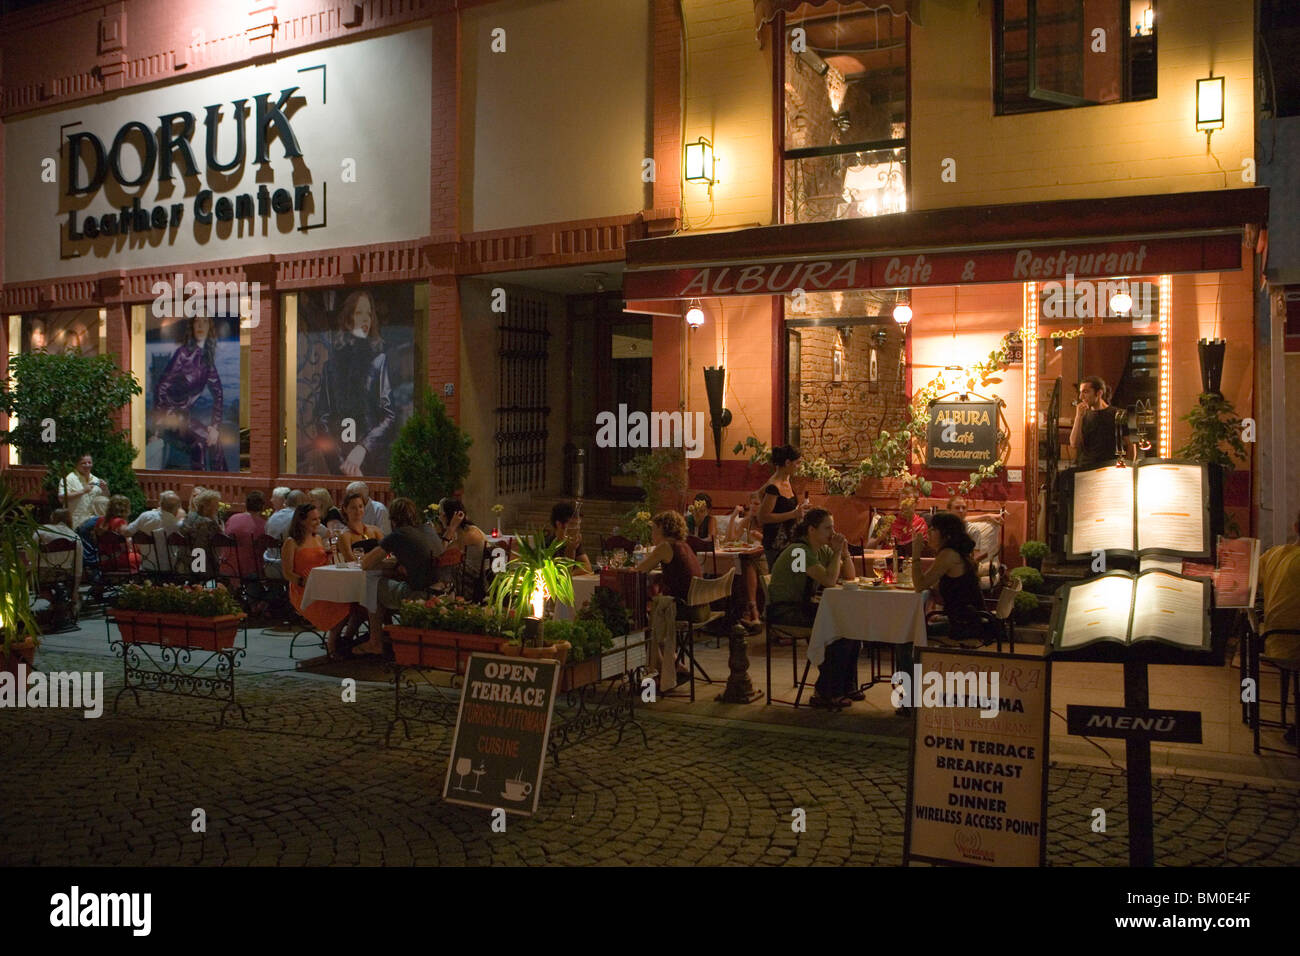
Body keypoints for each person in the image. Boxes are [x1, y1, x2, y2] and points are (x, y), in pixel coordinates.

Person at [767, 508, 858, 710]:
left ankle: (844, 687)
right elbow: (829, 580)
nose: (833, 533)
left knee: (852, 627)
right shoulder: (798, 552)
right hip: (786, 611)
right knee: (840, 631)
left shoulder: (820, 550)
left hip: (805, 607)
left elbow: (850, 577)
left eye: (833, 528)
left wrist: (844, 553)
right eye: (827, 528)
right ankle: (826, 692)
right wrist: (835, 554)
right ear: (811, 530)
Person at [313, 291, 395, 477]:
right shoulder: (331, 366)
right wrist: (341, 462)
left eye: (368, 313)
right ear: (349, 320)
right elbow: (322, 418)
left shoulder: (379, 361)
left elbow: (389, 416)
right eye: (359, 313)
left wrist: (362, 449)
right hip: (340, 462)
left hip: (372, 459)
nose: (365, 319)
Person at [361, 497, 442, 654]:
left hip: (419, 594)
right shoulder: (428, 529)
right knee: (384, 582)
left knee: (373, 584)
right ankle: (387, 634)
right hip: (442, 590)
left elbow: (366, 564)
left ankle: (375, 642)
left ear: (393, 519)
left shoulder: (398, 535)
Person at [281, 504, 361, 658]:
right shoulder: (291, 542)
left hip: (323, 583)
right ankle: (332, 643)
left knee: (356, 602)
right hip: (304, 589)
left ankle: (345, 640)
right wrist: (304, 582)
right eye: (314, 519)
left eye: (319, 519)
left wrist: (330, 556)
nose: (318, 522)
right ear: (302, 521)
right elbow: (287, 573)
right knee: (343, 605)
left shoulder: (318, 538)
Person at [912, 511, 998, 651]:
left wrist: (915, 554)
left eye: (934, 528)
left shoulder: (948, 555)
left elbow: (919, 585)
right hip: (969, 619)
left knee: (911, 632)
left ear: (946, 535)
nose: (929, 531)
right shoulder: (956, 553)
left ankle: (912, 671)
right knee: (917, 628)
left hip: (964, 625)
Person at [152, 314, 227, 471]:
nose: (200, 325)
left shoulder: (207, 359)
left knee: (214, 439)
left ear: (210, 328)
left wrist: (214, 426)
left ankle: (219, 488)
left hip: (185, 418)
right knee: (200, 442)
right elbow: (162, 387)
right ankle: (201, 489)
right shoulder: (183, 354)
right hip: (172, 416)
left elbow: (218, 393)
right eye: (197, 322)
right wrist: (159, 426)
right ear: (192, 328)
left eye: (204, 322)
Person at [1259, 511, 1300, 744]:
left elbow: (1249, 579)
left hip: (1274, 643)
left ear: (1295, 527)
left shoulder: (1275, 554)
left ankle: (1249, 699)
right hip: (1295, 645)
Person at [757, 444, 807, 568]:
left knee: (796, 576)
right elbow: (763, 517)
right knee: (781, 579)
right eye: (798, 463)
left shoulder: (787, 479)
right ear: (788, 462)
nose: (799, 467)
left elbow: (757, 493)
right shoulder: (774, 486)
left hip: (791, 539)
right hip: (776, 542)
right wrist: (793, 514)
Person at [724, 492, 766, 632]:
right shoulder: (747, 521)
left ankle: (750, 611)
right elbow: (730, 539)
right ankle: (751, 612)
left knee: (746, 563)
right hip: (750, 559)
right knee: (745, 562)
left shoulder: (768, 521)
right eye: (752, 503)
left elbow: (774, 544)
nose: (753, 507)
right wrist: (733, 517)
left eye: (757, 504)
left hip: (766, 560)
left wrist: (760, 537)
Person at [1070, 375, 1130, 470]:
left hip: (1111, 466)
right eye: (1080, 392)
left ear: (1099, 393)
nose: (1081, 397)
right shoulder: (1083, 415)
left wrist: (1127, 469)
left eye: (1085, 392)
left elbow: (1129, 444)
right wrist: (1078, 417)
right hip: (1087, 466)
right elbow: (1074, 444)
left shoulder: (1117, 413)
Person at [432, 497, 487, 593]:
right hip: (467, 578)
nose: (439, 518)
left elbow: (441, 553)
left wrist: (451, 527)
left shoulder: (470, 533)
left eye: (441, 514)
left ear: (448, 516)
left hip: (474, 585)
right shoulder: (464, 531)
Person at [36, 508, 83, 618]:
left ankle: (52, 602)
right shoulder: (75, 536)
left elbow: (31, 554)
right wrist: (75, 591)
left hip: (42, 575)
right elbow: (78, 567)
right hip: (65, 575)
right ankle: (61, 604)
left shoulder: (42, 530)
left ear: (52, 518)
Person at [126, 490, 186, 573]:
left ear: (160, 504)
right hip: (170, 568)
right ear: (177, 508)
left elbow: (127, 532)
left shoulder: (145, 516)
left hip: (147, 566)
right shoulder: (178, 525)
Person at [263, 489, 305, 579]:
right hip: (288, 568)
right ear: (302, 503)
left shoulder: (273, 516)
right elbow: (326, 533)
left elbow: (265, 533)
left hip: (268, 564)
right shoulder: (299, 516)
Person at [225, 491, 268, 579]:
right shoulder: (263, 525)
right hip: (250, 571)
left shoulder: (233, 518)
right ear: (263, 506)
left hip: (228, 566)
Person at [92, 495, 141, 573]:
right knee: (141, 557)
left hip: (103, 559)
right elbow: (127, 545)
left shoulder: (100, 520)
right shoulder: (120, 522)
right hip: (118, 559)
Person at [59, 454, 107, 528]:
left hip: (92, 523)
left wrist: (105, 489)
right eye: (83, 463)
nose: (87, 465)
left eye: (89, 462)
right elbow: (61, 497)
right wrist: (82, 491)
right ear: (76, 465)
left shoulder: (96, 479)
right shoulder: (69, 479)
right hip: (75, 523)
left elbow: (105, 499)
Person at [183, 489, 224, 571]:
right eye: (216, 504)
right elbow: (221, 540)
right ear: (207, 506)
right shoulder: (209, 524)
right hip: (202, 566)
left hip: (185, 563)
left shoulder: (188, 518)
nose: (218, 507)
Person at [546, 500, 592, 574]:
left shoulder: (573, 542)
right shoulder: (547, 544)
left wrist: (572, 549)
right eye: (573, 524)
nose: (577, 529)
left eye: (578, 525)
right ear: (559, 524)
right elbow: (560, 573)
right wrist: (570, 550)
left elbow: (587, 568)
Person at [338, 491, 383, 562]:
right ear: (345, 509)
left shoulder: (375, 530)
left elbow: (386, 552)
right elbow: (351, 560)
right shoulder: (344, 536)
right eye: (353, 507)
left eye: (360, 506)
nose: (358, 510)